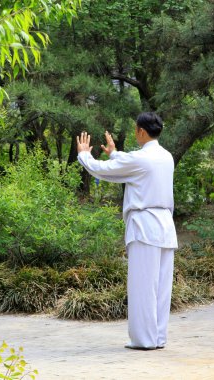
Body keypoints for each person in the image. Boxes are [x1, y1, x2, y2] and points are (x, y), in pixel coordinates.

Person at [76, 112, 178, 350]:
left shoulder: (140, 159)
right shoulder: (166, 157)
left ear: (141, 131)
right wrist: (116, 153)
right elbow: (133, 164)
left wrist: (84, 155)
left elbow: (103, 170)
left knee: (143, 286)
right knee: (162, 288)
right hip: (165, 226)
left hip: (145, 226)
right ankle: (158, 337)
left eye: (135, 129)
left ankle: (143, 340)